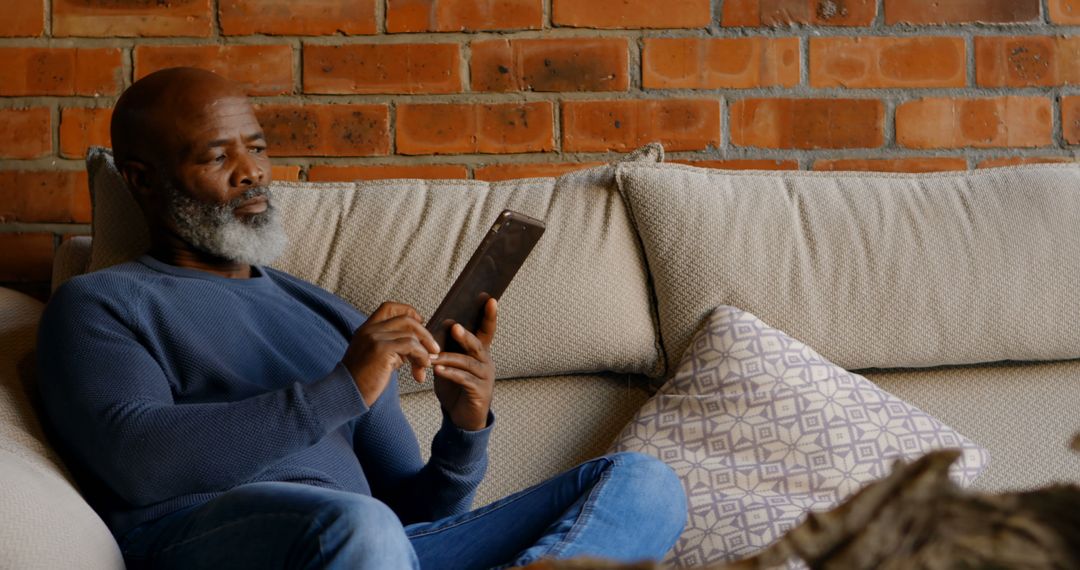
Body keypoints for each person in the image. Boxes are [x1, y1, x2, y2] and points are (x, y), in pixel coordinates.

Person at [36, 67, 687, 570]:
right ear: (143, 181)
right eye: (216, 157)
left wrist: (464, 426)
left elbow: (412, 515)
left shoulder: (324, 312)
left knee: (645, 483)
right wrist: (342, 387)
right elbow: (137, 463)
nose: (253, 173)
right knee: (358, 523)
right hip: (211, 540)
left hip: (370, 547)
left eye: (256, 149)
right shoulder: (102, 304)